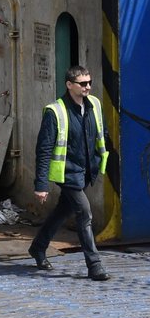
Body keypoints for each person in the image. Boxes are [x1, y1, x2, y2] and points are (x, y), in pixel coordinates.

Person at [28, 65, 110, 281]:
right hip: (68, 173)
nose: (88, 87)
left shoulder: (94, 105)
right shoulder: (55, 111)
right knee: (84, 213)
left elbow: (101, 133)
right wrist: (42, 184)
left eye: (89, 82)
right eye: (83, 84)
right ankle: (95, 266)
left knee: (63, 211)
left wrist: (100, 160)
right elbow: (44, 149)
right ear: (69, 85)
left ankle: (38, 247)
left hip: (86, 171)